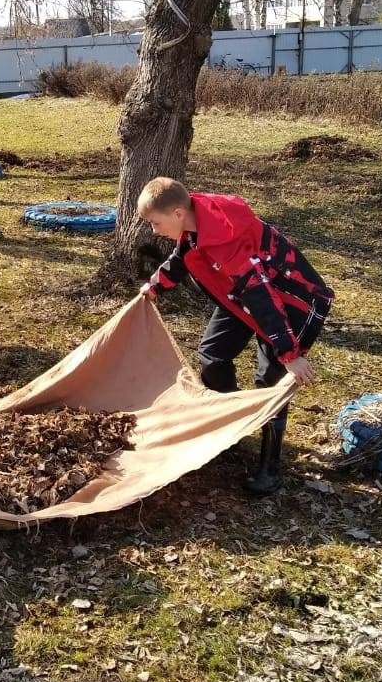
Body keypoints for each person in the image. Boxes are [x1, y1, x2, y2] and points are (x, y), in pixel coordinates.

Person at [137, 177, 333, 495]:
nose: (154, 231)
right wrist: (157, 285)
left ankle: (269, 466)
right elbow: (183, 255)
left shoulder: (226, 238)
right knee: (212, 355)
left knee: (270, 380)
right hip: (239, 298)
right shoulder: (192, 219)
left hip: (288, 304)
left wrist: (290, 353)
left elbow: (262, 297)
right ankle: (232, 426)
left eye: (155, 223)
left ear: (175, 213)